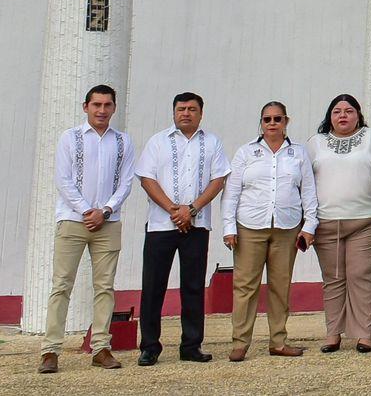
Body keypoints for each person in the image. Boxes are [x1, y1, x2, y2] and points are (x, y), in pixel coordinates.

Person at [39, 84, 135, 374]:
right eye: (96, 105)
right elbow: (63, 179)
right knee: (61, 285)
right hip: (72, 218)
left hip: (108, 221)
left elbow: (126, 182)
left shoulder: (123, 141)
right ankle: (50, 350)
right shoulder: (70, 138)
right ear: (86, 107)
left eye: (107, 105)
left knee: (104, 286)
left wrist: (104, 210)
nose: (102, 110)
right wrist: (86, 211)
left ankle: (101, 347)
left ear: (114, 108)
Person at [135, 91, 229, 366]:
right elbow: (146, 178)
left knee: (193, 286)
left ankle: (191, 345)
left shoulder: (212, 142)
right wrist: (174, 210)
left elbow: (218, 179)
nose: (185, 113)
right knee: (153, 286)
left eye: (191, 109)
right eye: (180, 109)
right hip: (161, 225)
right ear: (173, 112)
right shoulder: (157, 142)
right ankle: (150, 346)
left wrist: (192, 209)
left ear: (201, 113)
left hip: (197, 225)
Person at [223, 101, 317, 361]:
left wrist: (310, 225)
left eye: (278, 119)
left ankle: (278, 341)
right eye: (267, 119)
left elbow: (308, 191)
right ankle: (240, 342)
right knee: (245, 286)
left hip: (286, 228)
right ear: (261, 123)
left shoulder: (298, 153)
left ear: (287, 121)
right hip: (249, 227)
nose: (272, 123)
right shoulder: (246, 152)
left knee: (280, 286)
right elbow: (232, 192)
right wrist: (229, 227)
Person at [308, 93, 371, 354]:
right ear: (330, 116)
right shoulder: (315, 143)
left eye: (349, 111)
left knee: (361, 276)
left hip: (366, 220)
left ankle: (365, 334)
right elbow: (305, 184)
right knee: (333, 278)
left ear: (358, 115)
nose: (343, 115)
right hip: (326, 223)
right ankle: (332, 334)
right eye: (337, 111)